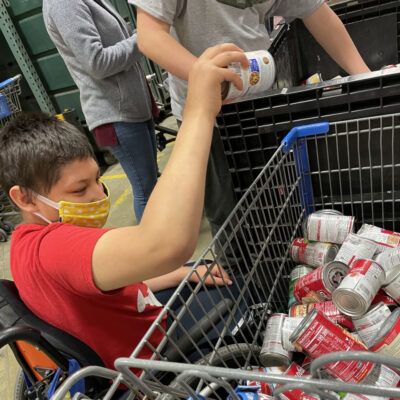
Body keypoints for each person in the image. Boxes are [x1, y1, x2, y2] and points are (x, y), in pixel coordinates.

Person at [0, 44, 250, 371]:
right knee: (250, 296)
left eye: (96, 181)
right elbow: (166, 243)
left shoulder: (27, 243)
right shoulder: (53, 248)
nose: (97, 197)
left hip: (145, 325)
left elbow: (114, 288)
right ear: (26, 198)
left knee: (208, 274)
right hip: (159, 361)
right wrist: (199, 112)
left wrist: (180, 272)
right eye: (79, 189)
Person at [129, 0, 370, 240]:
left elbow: (316, 11)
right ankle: (239, 276)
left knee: (278, 207)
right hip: (211, 121)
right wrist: (207, 78)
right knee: (231, 221)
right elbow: (150, 35)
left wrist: (366, 78)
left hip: (262, 105)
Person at [42, 0, 159, 223]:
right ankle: (161, 256)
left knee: (151, 183)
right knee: (146, 191)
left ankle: (166, 253)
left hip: (132, 106)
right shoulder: (63, 4)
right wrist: (143, 37)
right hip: (115, 112)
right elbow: (97, 62)